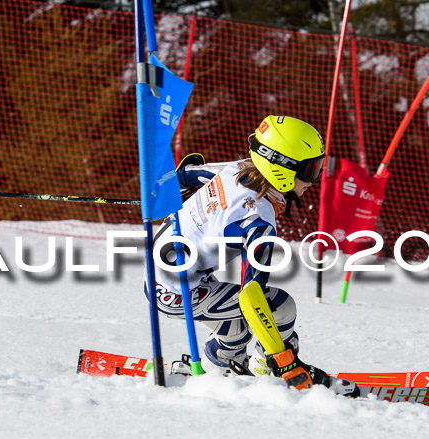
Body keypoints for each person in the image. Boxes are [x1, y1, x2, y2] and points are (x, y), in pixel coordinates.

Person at [148, 115, 357, 395]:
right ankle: (266, 368)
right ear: (281, 167)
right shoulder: (256, 219)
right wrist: (283, 360)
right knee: (281, 307)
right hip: (178, 293)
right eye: (310, 169)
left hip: (158, 277)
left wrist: (175, 190)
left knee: (237, 329)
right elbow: (252, 296)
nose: (314, 179)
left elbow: (187, 172)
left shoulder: (234, 169)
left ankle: (220, 365)